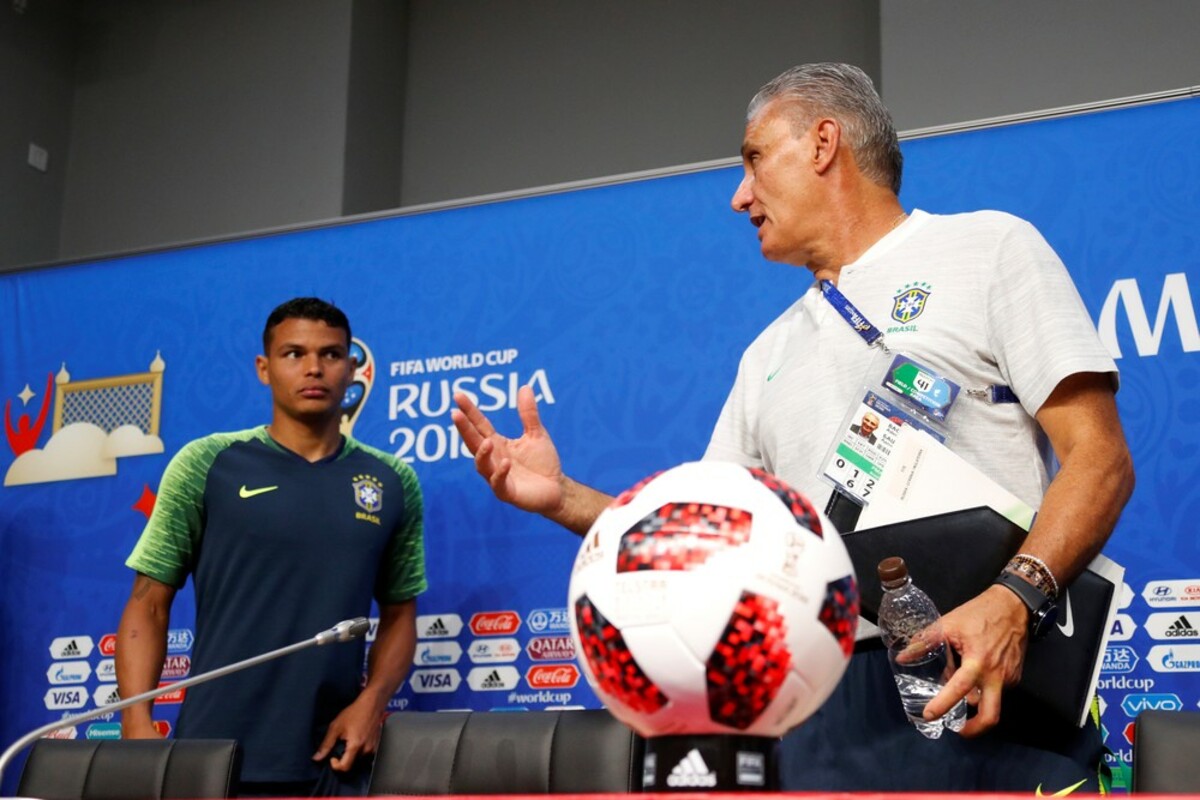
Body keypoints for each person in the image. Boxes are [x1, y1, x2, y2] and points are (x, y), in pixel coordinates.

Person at [450, 63, 1134, 792]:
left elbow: (1100, 459)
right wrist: (562, 498)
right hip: (822, 708)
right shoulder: (766, 353)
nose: (738, 195)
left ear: (823, 144)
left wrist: (1013, 602)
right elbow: (704, 538)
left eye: (752, 158)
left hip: (989, 673)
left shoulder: (990, 249)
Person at [116, 297, 426, 797]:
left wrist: (372, 702)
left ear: (352, 368)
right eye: (294, 353)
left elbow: (400, 614)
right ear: (264, 368)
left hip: (334, 757)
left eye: (330, 354)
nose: (313, 368)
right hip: (215, 752)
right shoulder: (207, 463)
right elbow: (148, 604)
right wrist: (135, 724)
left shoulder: (393, 481)